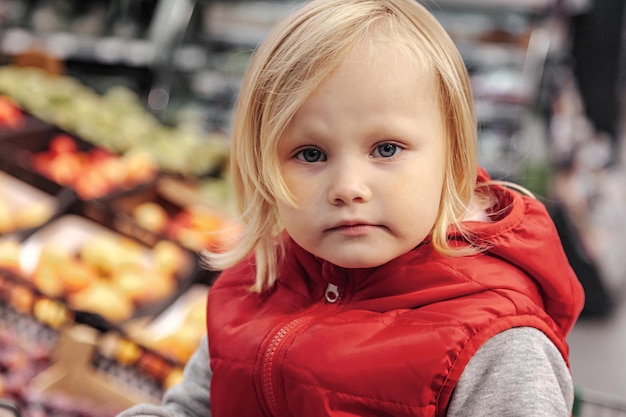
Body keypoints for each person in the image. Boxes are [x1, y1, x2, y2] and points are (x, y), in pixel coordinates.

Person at [118, 0, 585, 416]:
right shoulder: (253, 286)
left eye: (385, 149)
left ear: (455, 157)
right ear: (261, 169)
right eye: (311, 154)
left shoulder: (497, 347)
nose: (347, 188)